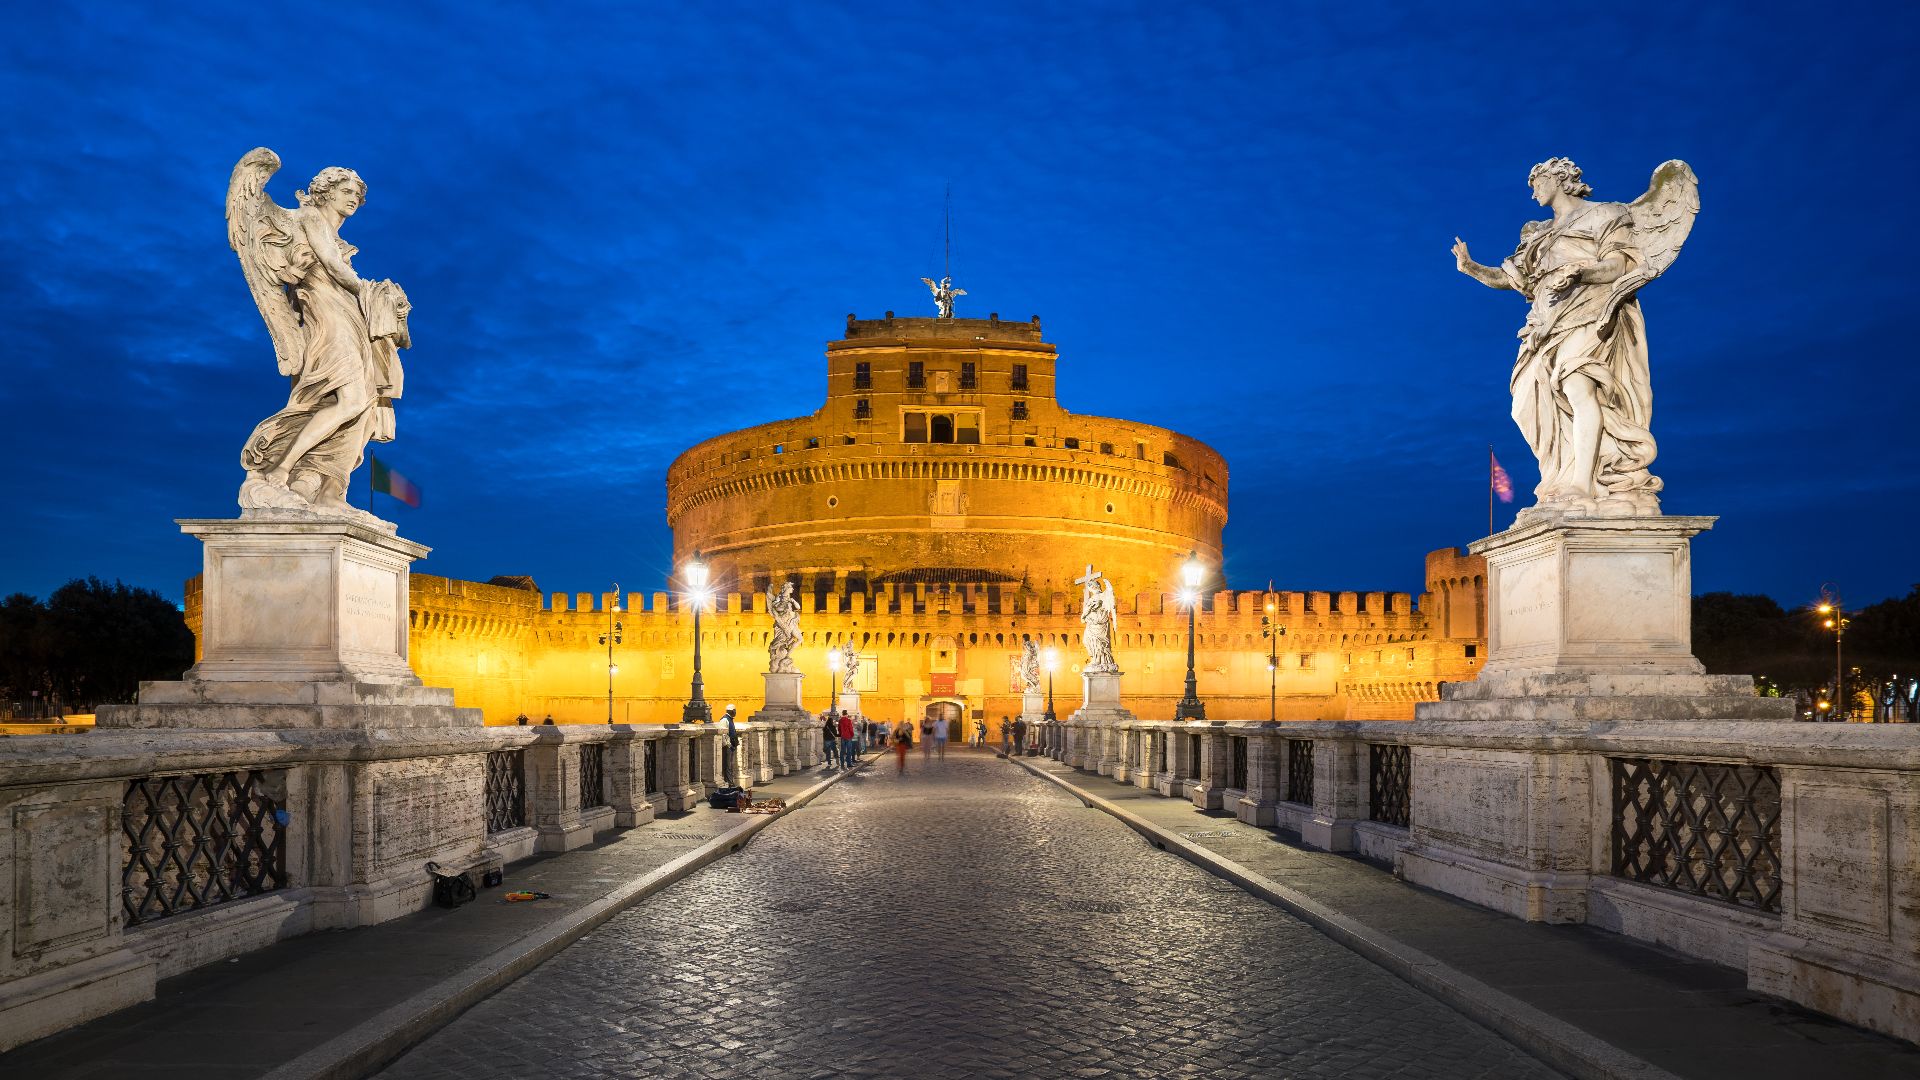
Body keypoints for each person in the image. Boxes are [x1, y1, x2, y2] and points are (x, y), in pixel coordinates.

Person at [721, 704, 741, 786]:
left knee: (730, 765)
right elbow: (723, 734)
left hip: (731, 746)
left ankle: (730, 781)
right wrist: (728, 745)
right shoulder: (725, 720)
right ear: (732, 711)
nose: (735, 712)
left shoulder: (730, 719)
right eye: (735, 710)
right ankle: (729, 782)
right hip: (728, 747)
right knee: (727, 765)